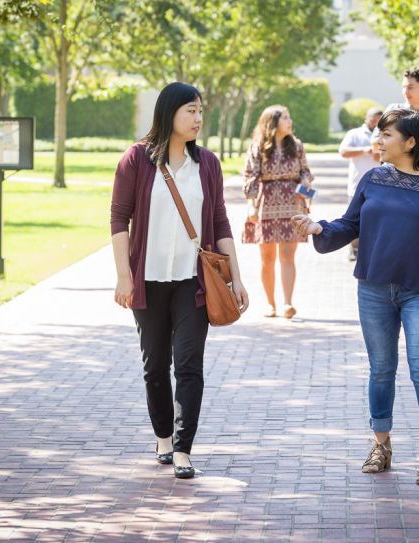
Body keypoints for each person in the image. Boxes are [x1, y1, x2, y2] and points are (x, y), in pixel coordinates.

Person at [292, 108, 419, 484]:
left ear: (410, 142)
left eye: (386, 135)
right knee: (381, 369)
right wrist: (318, 228)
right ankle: (381, 445)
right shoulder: (373, 178)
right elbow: (350, 224)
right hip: (374, 289)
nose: (378, 141)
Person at [110, 82, 249, 479]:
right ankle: (164, 439)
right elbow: (119, 217)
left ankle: (184, 450)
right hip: (147, 280)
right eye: (190, 110)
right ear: (169, 112)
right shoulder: (136, 160)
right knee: (155, 366)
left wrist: (236, 278)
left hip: (194, 281)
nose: (198, 118)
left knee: (189, 365)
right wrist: (124, 276)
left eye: (200, 110)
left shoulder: (207, 164)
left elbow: (220, 220)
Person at [242, 105, 313, 319]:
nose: (290, 122)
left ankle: (287, 303)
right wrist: (251, 207)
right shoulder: (258, 147)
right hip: (266, 205)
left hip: (292, 204)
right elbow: (250, 177)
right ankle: (270, 304)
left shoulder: (298, 146)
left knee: (288, 256)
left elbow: (305, 171)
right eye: (285, 118)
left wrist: (306, 183)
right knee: (267, 258)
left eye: (289, 118)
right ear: (272, 123)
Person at [339, 107, 382, 261]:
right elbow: (343, 151)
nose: (375, 123)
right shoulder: (354, 134)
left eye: (378, 121)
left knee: (376, 219)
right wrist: (364, 150)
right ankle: (354, 248)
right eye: (373, 120)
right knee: (354, 218)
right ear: (366, 118)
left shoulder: (384, 134)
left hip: (379, 186)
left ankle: (371, 249)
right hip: (357, 184)